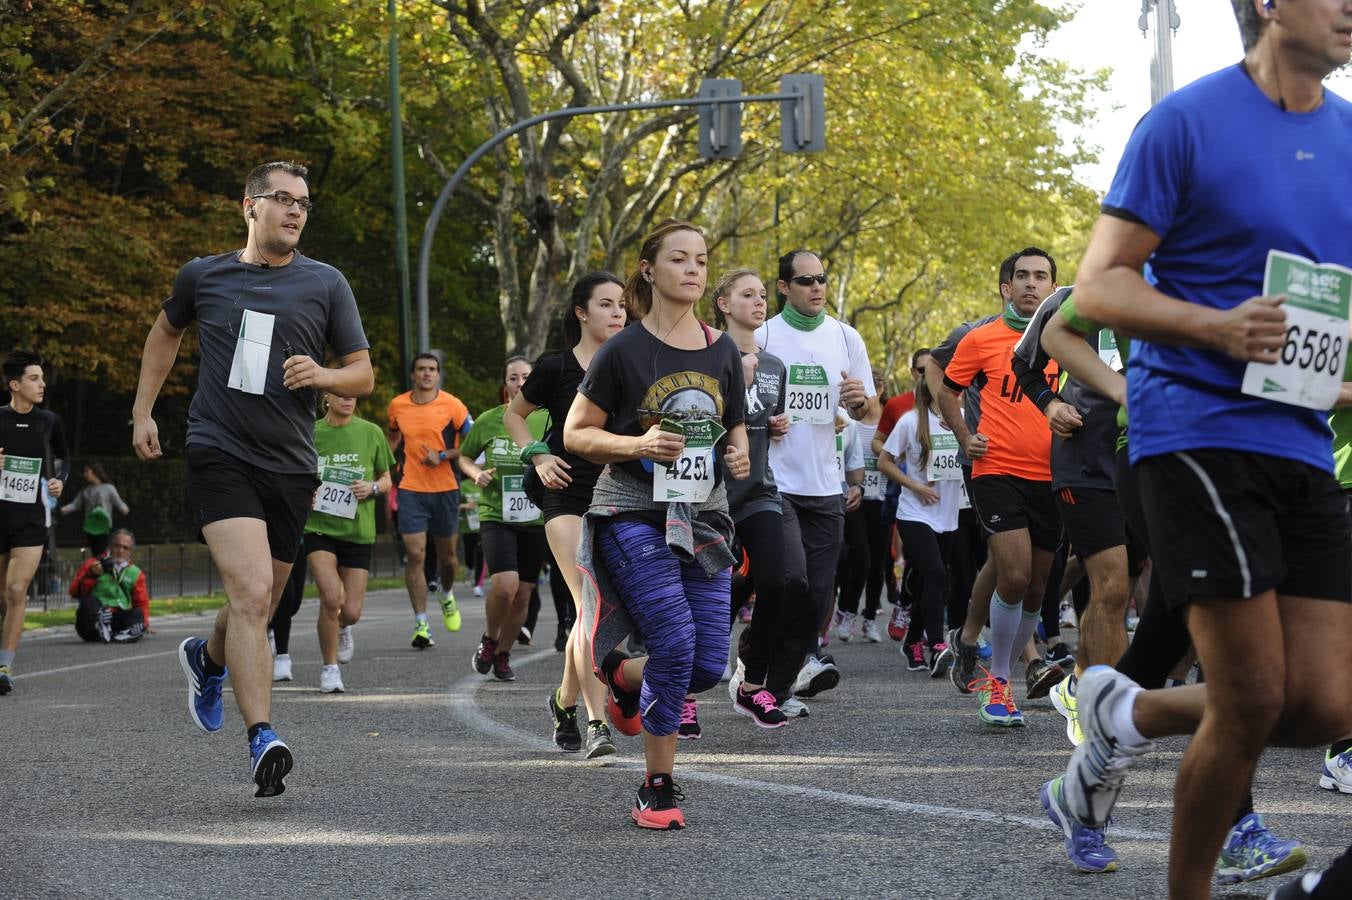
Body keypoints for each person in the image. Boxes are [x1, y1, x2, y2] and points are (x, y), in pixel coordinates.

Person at [1052, 4, 1352, 896]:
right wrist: (1214, 328)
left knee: (1328, 702)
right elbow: (1099, 285)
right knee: (1253, 697)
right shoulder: (1186, 121)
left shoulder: (1345, 137)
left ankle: (1127, 708)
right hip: (1194, 429)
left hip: (1298, 434)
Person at [131, 160, 373, 797]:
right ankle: (262, 735)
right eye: (283, 200)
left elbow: (362, 375)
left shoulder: (326, 284)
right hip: (219, 450)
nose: (295, 211)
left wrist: (323, 376)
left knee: (258, 603)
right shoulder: (204, 276)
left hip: (292, 464)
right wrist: (143, 411)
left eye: (304, 203)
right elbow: (164, 333)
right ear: (250, 206)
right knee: (249, 590)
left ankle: (206, 660)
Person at [566, 219, 750, 830]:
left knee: (704, 666)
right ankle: (657, 785)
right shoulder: (623, 350)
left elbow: (735, 423)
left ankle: (621, 672)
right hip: (631, 512)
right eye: (679, 259)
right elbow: (575, 435)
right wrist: (637, 442)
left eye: (701, 260)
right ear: (649, 271)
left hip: (703, 517)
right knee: (673, 643)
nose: (693, 270)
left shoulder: (723, 349)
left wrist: (741, 450)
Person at [941, 247, 1066, 726]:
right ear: (1006, 287)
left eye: (1041, 276)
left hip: (1053, 476)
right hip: (995, 470)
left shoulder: (1069, 341)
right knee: (1012, 574)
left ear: (1054, 288)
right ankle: (998, 685)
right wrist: (964, 435)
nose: (1031, 283)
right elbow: (947, 388)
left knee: (1036, 589)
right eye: (1022, 276)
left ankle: (983, 650)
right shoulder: (981, 339)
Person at [506, 271, 625, 758]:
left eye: (622, 305)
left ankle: (563, 701)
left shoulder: (632, 364)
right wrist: (536, 454)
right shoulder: (554, 367)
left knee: (592, 610)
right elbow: (516, 415)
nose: (618, 313)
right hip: (563, 494)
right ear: (581, 312)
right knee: (591, 600)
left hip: (618, 493)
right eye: (606, 305)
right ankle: (599, 723)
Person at [753, 249, 877, 705]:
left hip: (826, 483)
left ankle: (778, 687)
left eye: (822, 279)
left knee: (820, 595)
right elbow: (740, 402)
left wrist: (858, 399)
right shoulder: (763, 335)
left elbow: (865, 411)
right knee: (791, 580)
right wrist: (765, 420)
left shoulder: (845, 337)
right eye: (805, 281)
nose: (817, 287)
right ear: (784, 287)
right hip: (775, 482)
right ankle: (756, 660)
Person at [713, 269, 795, 727]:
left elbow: (764, 423)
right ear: (723, 304)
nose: (760, 302)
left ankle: (753, 683)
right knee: (710, 595)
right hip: (711, 494)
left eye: (763, 295)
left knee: (777, 582)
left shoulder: (774, 365)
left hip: (759, 490)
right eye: (747, 295)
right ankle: (685, 690)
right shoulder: (707, 355)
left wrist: (778, 425)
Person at [458, 357, 549, 684]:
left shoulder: (548, 419)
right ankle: (490, 637)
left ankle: (504, 653)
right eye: (514, 377)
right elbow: (465, 456)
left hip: (535, 517)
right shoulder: (489, 420)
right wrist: (476, 473)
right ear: (505, 384)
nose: (521, 383)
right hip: (497, 513)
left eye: (527, 376)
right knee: (505, 586)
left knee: (524, 594)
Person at [306, 390, 393, 693]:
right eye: (341, 395)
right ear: (326, 398)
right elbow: (295, 470)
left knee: (351, 611)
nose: (348, 400)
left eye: (353, 395)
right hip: (319, 528)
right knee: (331, 597)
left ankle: (344, 627)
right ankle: (330, 669)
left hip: (358, 530)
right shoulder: (311, 431)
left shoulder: (371, 432)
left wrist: (372, 488)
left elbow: (386, 477)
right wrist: (307, 488)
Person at [877, 378, 961, 677]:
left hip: (949, 515)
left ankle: (913, 641)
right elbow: (884, 461)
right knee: (937, 574)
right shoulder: (910, 422)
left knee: (930, 581)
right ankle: (937, 645)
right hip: (914, 514)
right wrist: (915, 486)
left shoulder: (961, 420)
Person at [387, 353, 471, 647]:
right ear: (413, 375)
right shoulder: (398, 405)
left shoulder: (453, 406)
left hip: (446, 489)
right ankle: (421, 624)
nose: (426, 374)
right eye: (421, 369)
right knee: (416, 555)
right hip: (411, 489)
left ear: (438, 375)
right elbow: (393, 439)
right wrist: (387, 466)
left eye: (432, 369)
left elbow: (472, 444)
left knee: (448, 559)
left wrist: (444, 455)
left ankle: (446, 594)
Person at [0, 349, 68, 695]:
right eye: (33, 378)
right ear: (15, 384)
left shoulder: (49, 421)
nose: (41, 384)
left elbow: (63, 458)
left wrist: (59, 480)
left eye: (41, 378)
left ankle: (4, 665)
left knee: (16, 590)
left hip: (30, 519)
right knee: (2, 592)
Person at [70, 527, 149, 643]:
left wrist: (145, 622)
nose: (120, 551)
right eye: (117, 546)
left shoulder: (135, 572)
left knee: (137, 613)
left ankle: (131, 631)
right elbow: (74, 591)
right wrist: (91, 575)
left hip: (117, 615)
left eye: (125, 548)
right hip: (93, 618)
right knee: (89, 602)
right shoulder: (93, 564)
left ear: (130, 551)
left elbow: (141, 601)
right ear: (110, 546)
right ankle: (101, 624)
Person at [59, 463, 128, 556]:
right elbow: (76, 504)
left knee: (104, 553)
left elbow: (118, 502)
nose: (85, 474)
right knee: (95, 553)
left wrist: (123, 508)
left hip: (104, 526)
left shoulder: (108, 488)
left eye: (87, 471)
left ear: (95, 472)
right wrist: (64, 509)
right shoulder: (86, 489)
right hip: (90, 527)